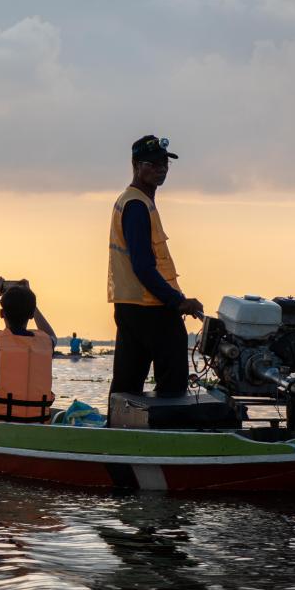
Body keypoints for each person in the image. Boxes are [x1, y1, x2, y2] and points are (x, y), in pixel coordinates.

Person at [108, 135, 204, 398]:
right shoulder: (137, 206)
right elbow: (143, 266)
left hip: (130, 306)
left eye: (164, 163)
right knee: (173, 384)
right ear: (136, 165)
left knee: (127, 384)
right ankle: (170, 422)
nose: (161, 169)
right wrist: (177, 301)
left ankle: (118, 421)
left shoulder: (135, 201)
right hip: (150, 307)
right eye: (153, 164)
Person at [0, 277, 57, 423]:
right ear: (31, 314)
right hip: (36, 423)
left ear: (1, 314)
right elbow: (52, 335)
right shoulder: (46, 343)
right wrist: (29, 301)